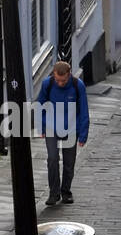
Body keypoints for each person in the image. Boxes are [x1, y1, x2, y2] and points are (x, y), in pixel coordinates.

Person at [37, 61, 89, 207]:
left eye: (63, 80)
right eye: (58, 80)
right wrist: (41, 126)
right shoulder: (47, 84)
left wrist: (83, 134)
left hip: (71, 128)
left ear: (69, 74)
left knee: (69, 163)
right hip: (51, 127)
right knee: (52, 158)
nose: (60, 83)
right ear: (53, 75)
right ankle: (54, 193)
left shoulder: (78, 85)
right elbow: (40, 105)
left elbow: (84, 110)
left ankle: (66, 191)